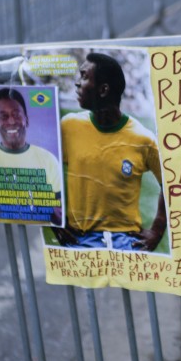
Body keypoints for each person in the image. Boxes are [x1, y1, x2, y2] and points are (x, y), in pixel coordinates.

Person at [51, 52, 166, 250]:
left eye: (85, 77)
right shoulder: (68, 126)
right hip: (78, 240)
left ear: (103, 90)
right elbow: (44, 168)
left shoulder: (142, 139)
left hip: (126, 242)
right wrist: (53, 214)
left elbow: (170, 183)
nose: (77, 84)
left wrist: (157, 229)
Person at [0, 88, 62, 224]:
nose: (12, 121)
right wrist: (4, 201)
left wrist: (35, 203)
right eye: (4, 116)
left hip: (37, 237)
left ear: (27, 120)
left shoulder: (48, 160)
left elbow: (61, 215)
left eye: (17, 115)